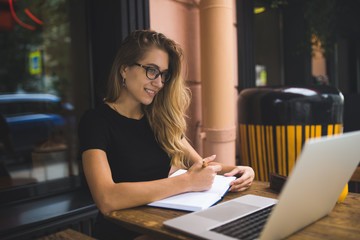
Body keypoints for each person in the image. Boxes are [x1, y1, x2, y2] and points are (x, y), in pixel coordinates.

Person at [78, 30, 255, 240]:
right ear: (124, 69)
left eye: (163, 74)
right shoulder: (96, 121)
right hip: (123, 234)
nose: (159, 83)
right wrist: (187, 182)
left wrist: (238, 170)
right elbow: (107, 198)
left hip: (164, 227)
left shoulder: (159, 120)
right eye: (151, 70)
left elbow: (200, 167)